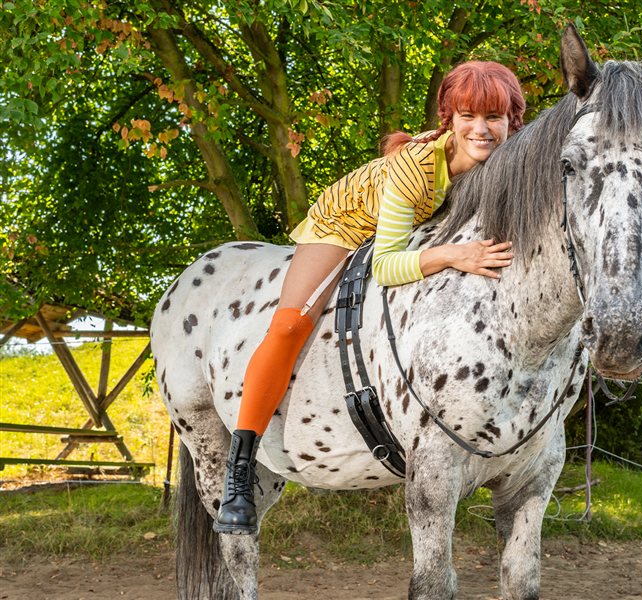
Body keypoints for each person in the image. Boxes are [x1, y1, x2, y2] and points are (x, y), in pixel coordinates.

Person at [213, 61, 526, 534]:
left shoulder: (508, 159)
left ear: (512, 121)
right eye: (468, 116)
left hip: (410, 228)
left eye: (493, 118)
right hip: (344, 224)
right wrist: (453, 255)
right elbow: (385, 265)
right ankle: (240, 469)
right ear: (450, 119)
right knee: (291, 324)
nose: (481, 129)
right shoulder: (412, 170)